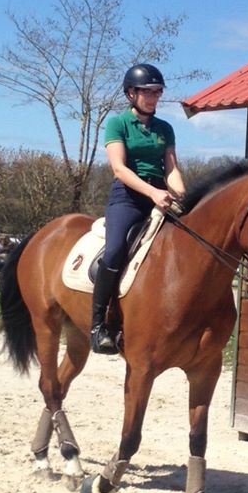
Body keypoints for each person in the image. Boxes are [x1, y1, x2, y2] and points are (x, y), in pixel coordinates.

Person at [90, 63, 186, 354]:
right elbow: (119, 169)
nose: (154, 97)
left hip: (159, 191)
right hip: (128, 196)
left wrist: (182, 194)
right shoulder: (117, 123)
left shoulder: (164, 128)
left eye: (158, 92)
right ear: (131, 93)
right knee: (116, 248)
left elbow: (171, 168)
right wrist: (153, 192)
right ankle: (98, 325)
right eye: (148, 92)